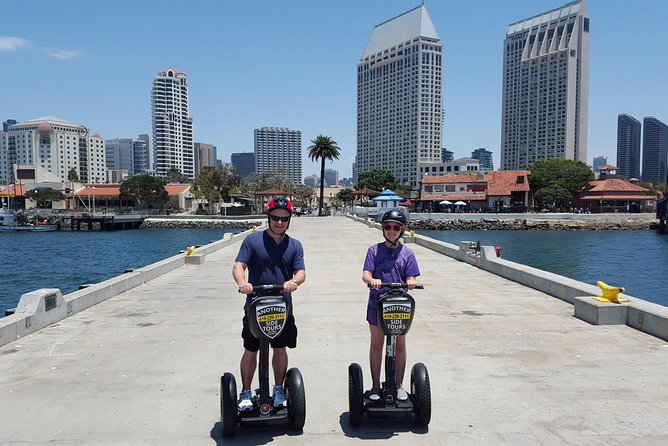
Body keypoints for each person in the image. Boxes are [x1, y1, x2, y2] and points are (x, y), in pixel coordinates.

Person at [232, 196, 306, 411]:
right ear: (269, 217)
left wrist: (293, 282)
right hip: (256, 304)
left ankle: (278, 388)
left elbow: (300, 272)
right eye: (275, 218)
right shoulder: (252, 241)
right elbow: (239, 265)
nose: (279, 222)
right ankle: (246, 391)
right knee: (250, 349)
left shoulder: (295, 245)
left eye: (284, 218)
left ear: (289, 219)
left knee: (280, 348)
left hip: (282, 306)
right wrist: (242, 283)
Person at [362, 208, 420, 402]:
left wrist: (410, 281)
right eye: (388, 227)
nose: (391, 230)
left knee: (400, 346)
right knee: (377, 345)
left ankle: (399, 385)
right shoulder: (374, 250)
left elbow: (410, 276)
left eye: (396, 227)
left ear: (402, 230)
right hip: (377, 304)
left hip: (399, 305)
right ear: (383, 228)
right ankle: (376, 386)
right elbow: (366, 274)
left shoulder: (408, 253)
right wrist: (372, 280)